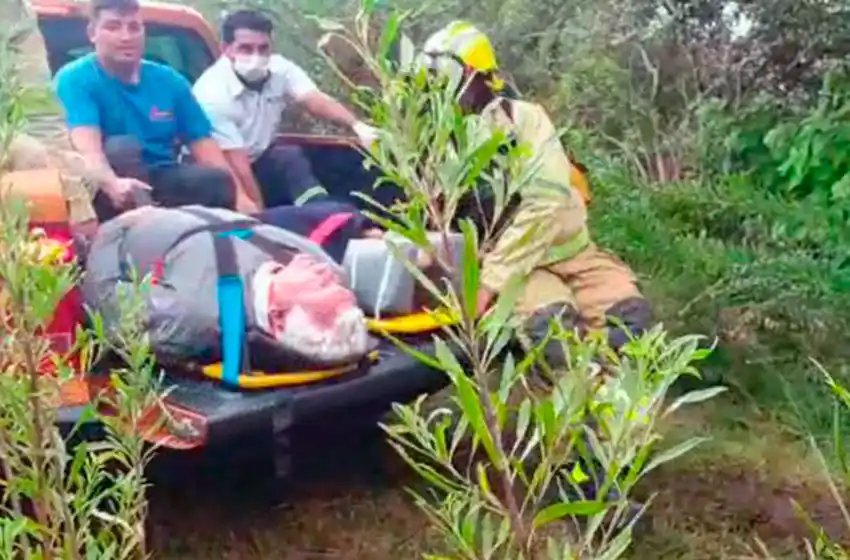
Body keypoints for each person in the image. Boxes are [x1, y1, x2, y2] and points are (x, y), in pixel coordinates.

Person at [415, 21, 652, 358]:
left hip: (573, 255)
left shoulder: (525, 120)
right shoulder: (440, 142)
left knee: (630, 324)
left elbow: (547, 200)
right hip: (514, 269)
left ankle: (614, 406)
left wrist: (488, 283)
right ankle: (574, 405)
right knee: (553, 334)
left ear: (471, 72)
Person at [52, 0, 250, 223]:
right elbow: (88, 152)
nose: (126, 37)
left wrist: (241, 200)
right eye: (113, 27)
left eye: (134, 27)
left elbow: (205, 147)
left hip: (163, 179)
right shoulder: (75, 79)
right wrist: (113, 184)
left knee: (214, 180)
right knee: (120, 148)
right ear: (92, 33)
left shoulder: (170, 81)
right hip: (108, 184)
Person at [192, 9, 379, 209]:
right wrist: (258, 213)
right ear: (226, 49)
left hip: (262, 158)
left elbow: (313, 99)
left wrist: (357, 125)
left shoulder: (280, 69)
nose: (256, 56)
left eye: (263, 49)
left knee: (291, 157)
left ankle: (322, 210)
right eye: (246, 49)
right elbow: (238, 166)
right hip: (222, 172)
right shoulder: (213, 93)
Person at [1, 0, 102, 237]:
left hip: (17, 170)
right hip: (14, 148)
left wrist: (70, 174)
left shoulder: (15, 12)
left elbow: (40, 111)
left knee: (83, 173)